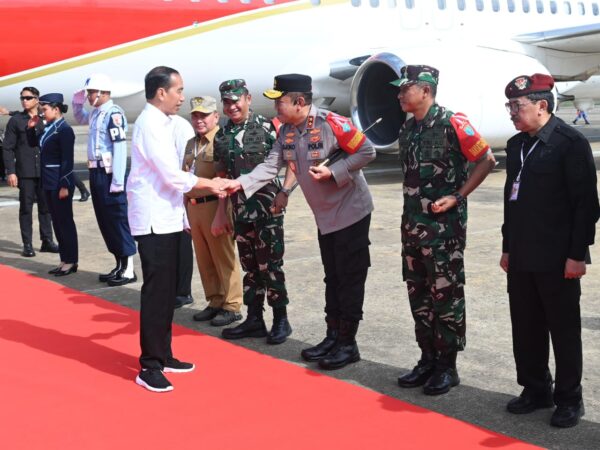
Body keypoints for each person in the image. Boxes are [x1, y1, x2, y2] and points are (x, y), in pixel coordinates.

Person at [223, 74, 375, 370]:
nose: (276, 107)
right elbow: (270, 166)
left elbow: (366, 151)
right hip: (325, 218)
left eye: (279, 101)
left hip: (351, 213)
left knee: (349, 278)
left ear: (300, 102)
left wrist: (335, 171)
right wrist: (237, 184)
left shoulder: (333, 123)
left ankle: (348, 343)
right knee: (332, 277)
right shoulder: (287, 132)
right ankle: (333, 336)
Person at [501, 73, 599, 428]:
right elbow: (510, 202)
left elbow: (585, 205)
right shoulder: (516, 145)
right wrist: (507, 246)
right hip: (523, 254)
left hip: (558, 258)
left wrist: (577, 254)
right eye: (509, 105)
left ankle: (570, 398)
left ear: (542, 105)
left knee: (563, 329)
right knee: (525, 326)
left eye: (518, 105)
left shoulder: (569, 143)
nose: (512, 112)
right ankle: (536, 388)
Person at [392, 65, 495, 395]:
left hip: (443, 230)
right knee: (418, 292)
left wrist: (458, 196)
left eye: (405, 88)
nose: (399, 94)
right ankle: (427, 358)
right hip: (412, 227)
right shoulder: (408, 129)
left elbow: (487, 159)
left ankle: (447, 366)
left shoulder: (453, 122)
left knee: (445, 294)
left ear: (425, 90)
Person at [127, 66, 225, 393]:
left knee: (169, 292)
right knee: (156, 293)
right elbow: (171, 175)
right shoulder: (149, 124)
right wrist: (210, 184)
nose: (182, 97)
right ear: (160, 93)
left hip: (169, 216)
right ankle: (149, 365)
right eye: (178, 90)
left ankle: (164, 353)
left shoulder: (167, 123)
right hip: (153, 219)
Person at [213, 79, 292, 345]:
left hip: (268, 208)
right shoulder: (222, 136)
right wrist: (221, 213)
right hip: (240, 211)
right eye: (227, 102)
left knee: (271, 265)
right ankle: (254, 319)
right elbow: (222, 177)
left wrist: (285, 192)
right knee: (249, 267)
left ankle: (281, 320)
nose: (232, 106)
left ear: (248, 99)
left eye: (236, 100)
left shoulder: (271, 127)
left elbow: (291, 161)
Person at [72, 73, 137, 286]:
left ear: (102, 92)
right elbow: (80, 117)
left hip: (110, 173)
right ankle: (119, 263)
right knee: (105, 220)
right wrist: (76, 102)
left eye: (91, 93)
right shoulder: (96, 114)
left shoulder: (113, 113)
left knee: (117, 219)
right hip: (96, 172)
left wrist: (118, 180)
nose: (89, 96)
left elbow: (119, 147)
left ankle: (128, 269)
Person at [184, 96, 243, 326]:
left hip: (215, 205)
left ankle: (232, 305)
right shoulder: (192, 143)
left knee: (223, 257)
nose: (199, 120)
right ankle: (215, 300)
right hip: (195, 207)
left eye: (204, 115)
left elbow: (226, 179)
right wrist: (184, 211)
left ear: (216, 116)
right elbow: (185, 177)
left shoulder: (222, 140)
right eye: (195, 115)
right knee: (205, 258)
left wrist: (222, 213)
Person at [2, 87, 59, 257]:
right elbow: (7, 148)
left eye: (28, 98)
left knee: (46, 208)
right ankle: (27, 244)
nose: (24, 101)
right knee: (26, 209)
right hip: (25, 172)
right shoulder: (16, 121)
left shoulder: (45, 118)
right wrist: (11, 172)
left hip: (44, 171)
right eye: (22, 98)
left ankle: (47, 241)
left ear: (37, 99)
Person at [28, 93, 79, 276]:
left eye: (45, 109)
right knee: (57, 222)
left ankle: (71, 260)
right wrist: (31, 128)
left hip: (59, 183)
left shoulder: (64, 130)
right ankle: (64, 259)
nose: (42, 112)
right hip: (48, 182)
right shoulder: (49, 128)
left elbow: (67, 160)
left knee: (65, 222)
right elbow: (33, 143)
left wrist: (65, 184)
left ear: (56, 109)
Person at [1, 105, 90, 202]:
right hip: (42, 148)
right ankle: (37, 194)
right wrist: (9, 113)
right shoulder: (36, 113)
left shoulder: (46, 115)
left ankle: (83, 189)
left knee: (65, 170)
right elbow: (24, 114)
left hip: (52, 148)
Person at [171, 113, 195, 309]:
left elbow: (186, 166)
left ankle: (183, 291)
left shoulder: (180, 126)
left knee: (182, 244)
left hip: (180, 193)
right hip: (164, 197)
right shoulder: (153, 124)